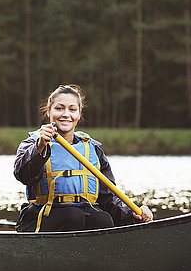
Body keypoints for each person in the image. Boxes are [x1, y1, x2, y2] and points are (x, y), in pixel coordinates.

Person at [14, 84, 153, 232]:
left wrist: (132, 213)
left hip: (84, 212)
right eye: (59, 108)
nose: (66, 114)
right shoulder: (33, 143)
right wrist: (40, 146)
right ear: (49, 111)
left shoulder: (92, 149)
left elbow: (108, 196)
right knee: (72, 215)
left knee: (102, 219)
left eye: (72, 109)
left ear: (79, 114)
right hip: (43, 217)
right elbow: (23, 175)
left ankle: (95, 253)